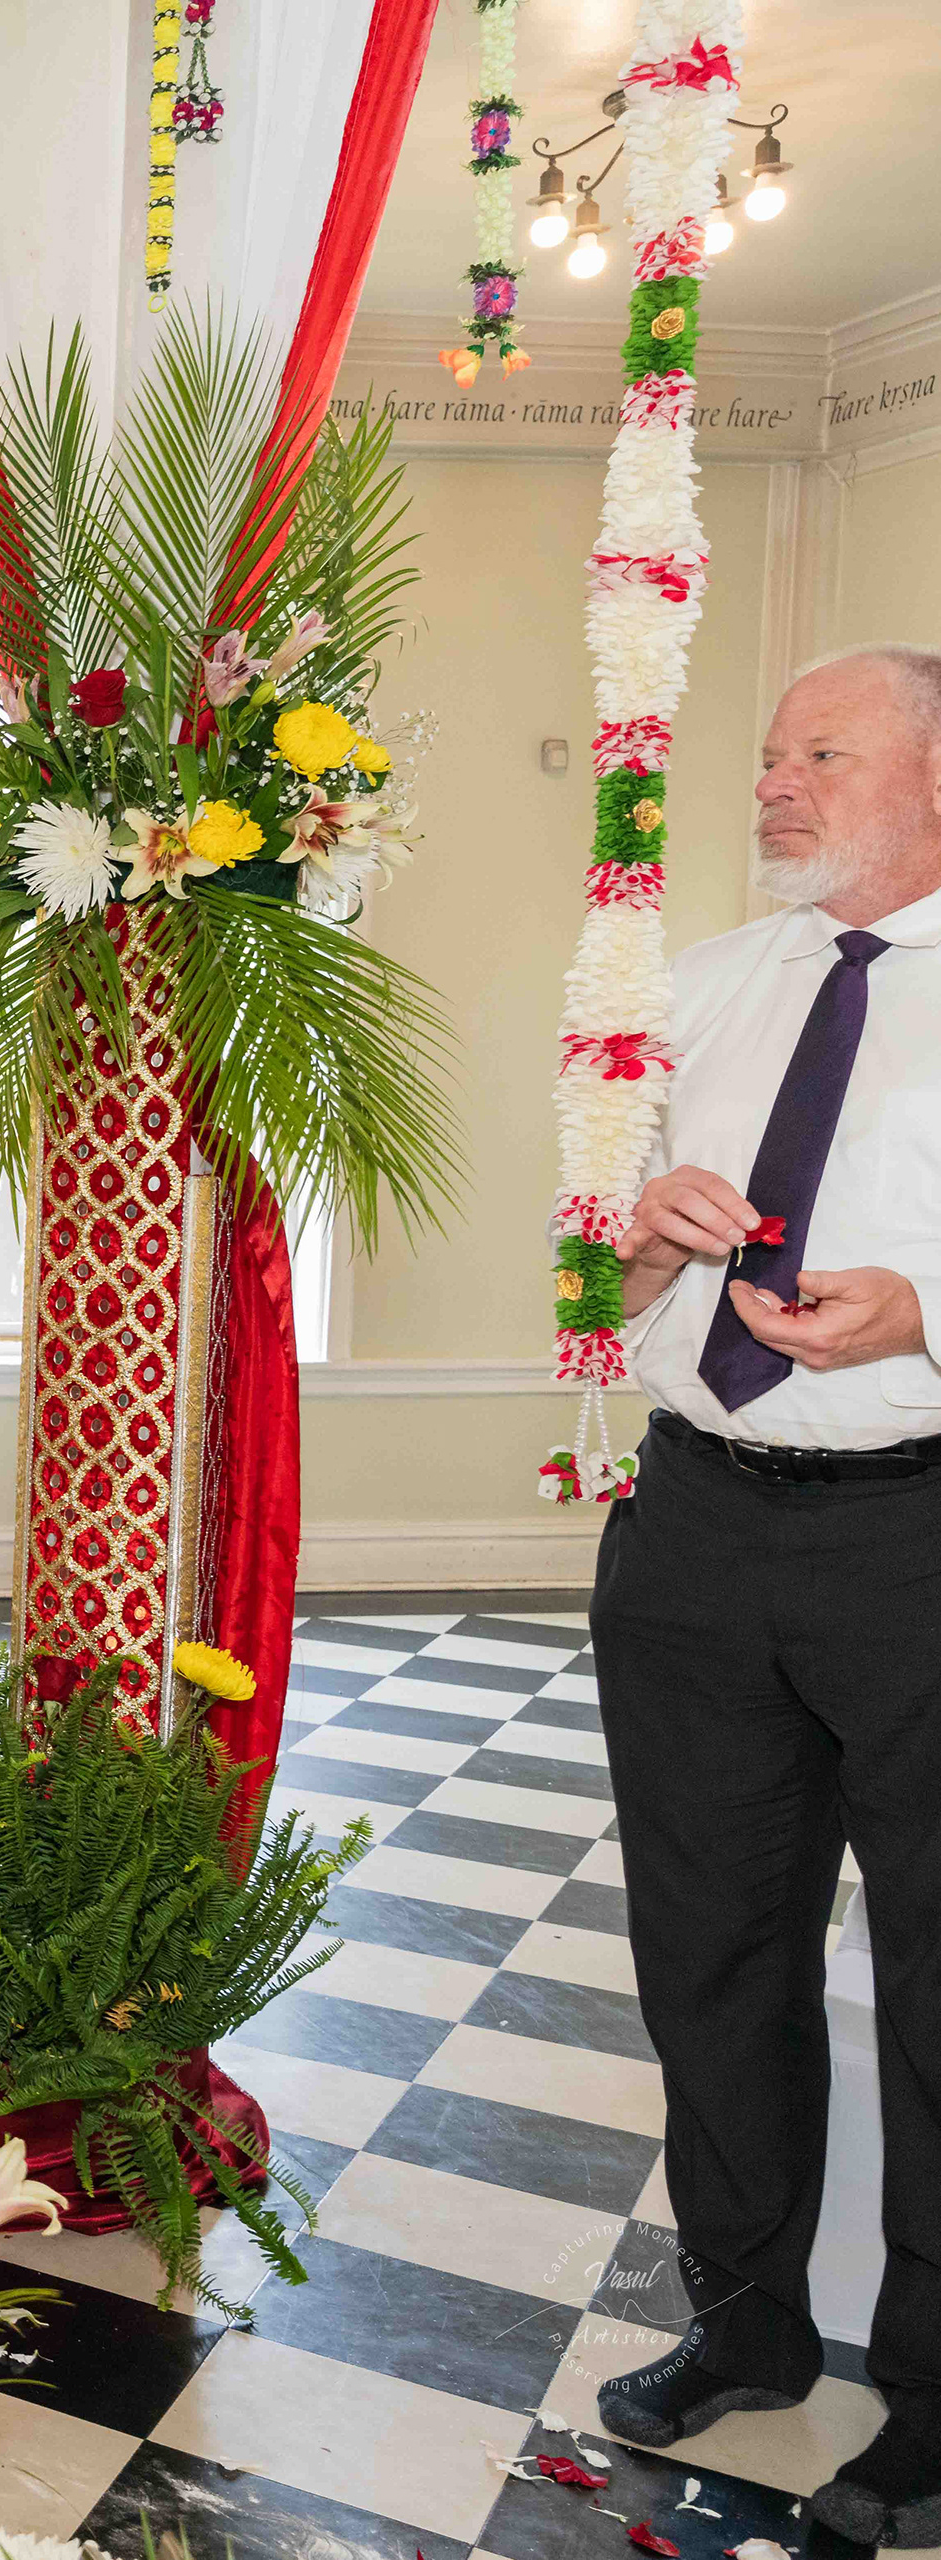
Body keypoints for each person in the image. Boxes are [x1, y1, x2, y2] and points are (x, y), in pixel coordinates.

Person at [591, 644, 941, 2546]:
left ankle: (936, 2397)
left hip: (920, 1538)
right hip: (696, 1529)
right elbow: (587, 1274)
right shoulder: (702, 988)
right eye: (770, 754)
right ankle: (746, 2325)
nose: (774, 784)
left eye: (823, 752)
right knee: (711, 1952)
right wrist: (639, 1247)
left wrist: (927, 1315)